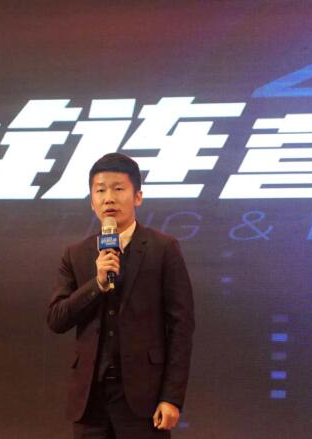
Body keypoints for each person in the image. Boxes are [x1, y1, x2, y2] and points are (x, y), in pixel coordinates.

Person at [47, 152, 195, 438]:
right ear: (92, 201)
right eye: (100, 190)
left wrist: (172, 397)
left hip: (144, 398)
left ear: (138, 197)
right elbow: (56, 319)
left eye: (118, 189)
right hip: (90, 401)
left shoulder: (163, 249)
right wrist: (97, 284)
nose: (109, 199)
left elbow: (181, 327)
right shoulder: (76, 254)